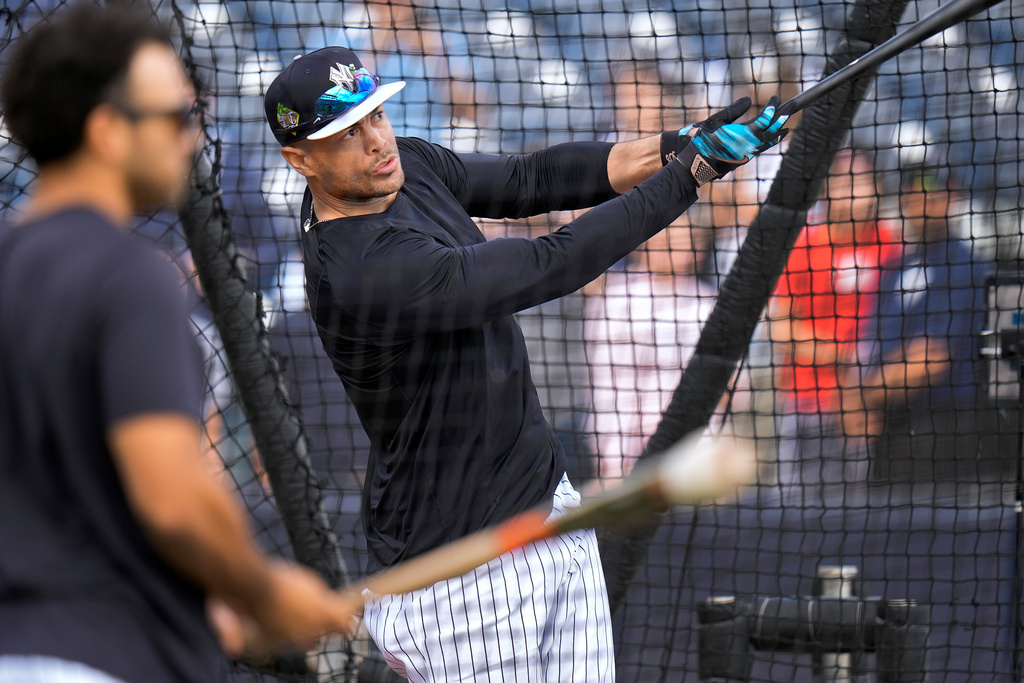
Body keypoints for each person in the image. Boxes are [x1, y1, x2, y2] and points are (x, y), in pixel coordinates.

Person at [264, 44, 789, 681]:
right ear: (301, 160)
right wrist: (690, 175)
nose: (376, 140)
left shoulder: (410, 168)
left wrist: (677, 143)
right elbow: (552, 263)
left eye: (376, 115)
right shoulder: (359, 267)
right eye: (348, 133)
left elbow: (532, 179)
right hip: (456, 570)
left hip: (547, 507)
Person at [0, 5, 356, 683]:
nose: (192, 141)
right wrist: (267, 592)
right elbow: (174, 499)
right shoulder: (127, 275)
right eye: (175, 119)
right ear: (106, 131)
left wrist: (196, 602)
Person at [839, 165, 995, 485]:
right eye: (912, 188)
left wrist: (864, 395)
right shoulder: (895, 265)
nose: (920, 197)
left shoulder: (965, 267)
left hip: (943, 431)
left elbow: (931, 358)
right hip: (890, 430)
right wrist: (856, 396)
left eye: (932, 188)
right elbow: (868, 344)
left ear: (952, 197)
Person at [768, 149, 900, 503]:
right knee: (797, 512)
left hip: (864, 403)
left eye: (864, 183)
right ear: (828, 189)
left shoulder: (890, 246)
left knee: (855, 517)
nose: (857, 194)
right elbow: (780, 328)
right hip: (807, 401)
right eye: (846, 183)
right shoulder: (805, 244)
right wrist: (839, 353)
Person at [585, 221, 720, 480]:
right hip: (631, 448)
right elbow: (609, 385)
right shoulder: (619, 299)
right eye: (670, 239)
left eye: (685, 240)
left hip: (693, 442)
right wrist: (614, 460)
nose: (678, 247)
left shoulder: (707, 301)